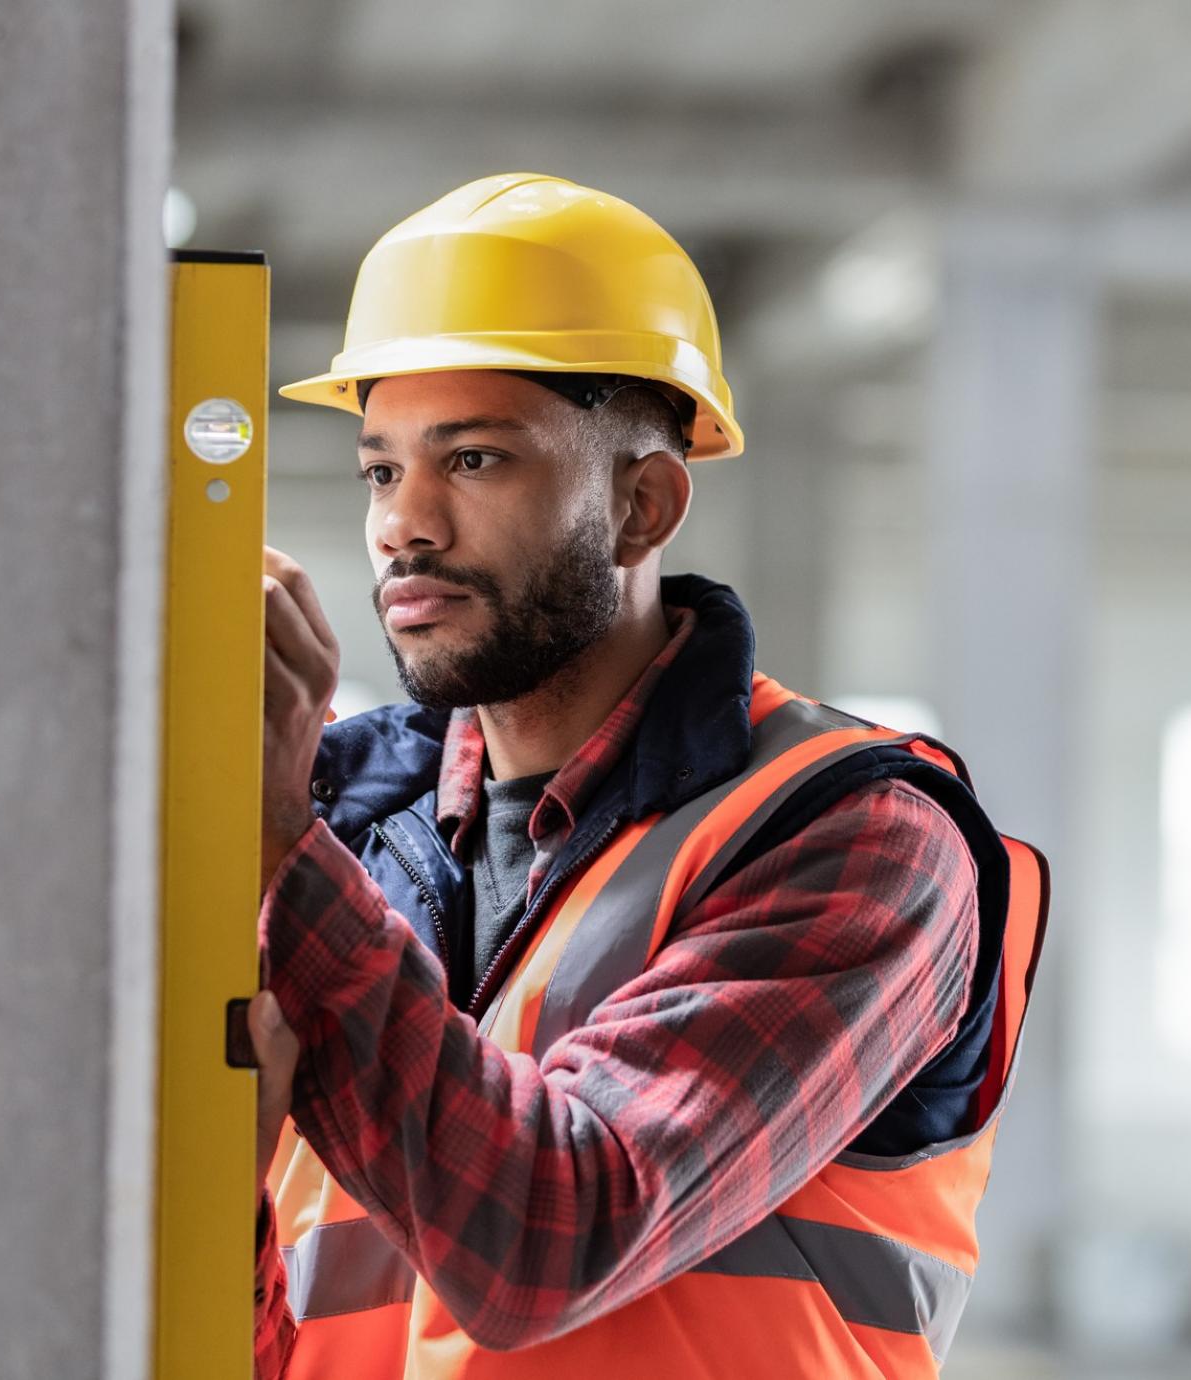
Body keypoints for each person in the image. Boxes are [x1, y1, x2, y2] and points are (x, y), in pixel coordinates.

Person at [247, 172, 1047, 1379]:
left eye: (470, 461)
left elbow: (547, 1235)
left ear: (641, 504)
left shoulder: (859, 840)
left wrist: (270, 843)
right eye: (379, 470)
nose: (403, 524)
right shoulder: (336, 838)